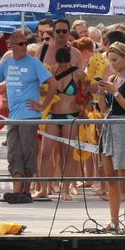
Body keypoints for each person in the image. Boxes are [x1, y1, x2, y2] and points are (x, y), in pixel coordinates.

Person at [0, 29, 58, 204]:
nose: (24, 47)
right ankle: (18, 191)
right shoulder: (6, 64)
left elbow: (52, 83)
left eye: (25, 43)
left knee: (28, 152)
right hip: (13, 116)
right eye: (21, 44)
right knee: (13, 152)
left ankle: (24, 191)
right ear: (11, 46)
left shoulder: (34, 63)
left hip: (30, 115)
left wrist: (43, 105)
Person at [96, 42, 125, 233]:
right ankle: (114, 221)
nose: (113, 64)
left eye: (115, 60)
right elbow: (105, 110)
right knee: (111, 180)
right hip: (110, 127)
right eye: (110, 61)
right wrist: (101, 93)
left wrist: (115, 92)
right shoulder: (113, 78)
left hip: (123, 128)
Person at [40, 47, 86, 202]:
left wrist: (83, 106)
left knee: (67, 154)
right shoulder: (51, 70)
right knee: (46, 152)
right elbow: (41, 90)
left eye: (66, 64)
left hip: (70, 115)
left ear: (70, 61)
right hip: (53, 115)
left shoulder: (78, 73)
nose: (64, 67)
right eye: (62, 64)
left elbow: (91, 90)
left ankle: (65, 189)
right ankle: (43, 189)